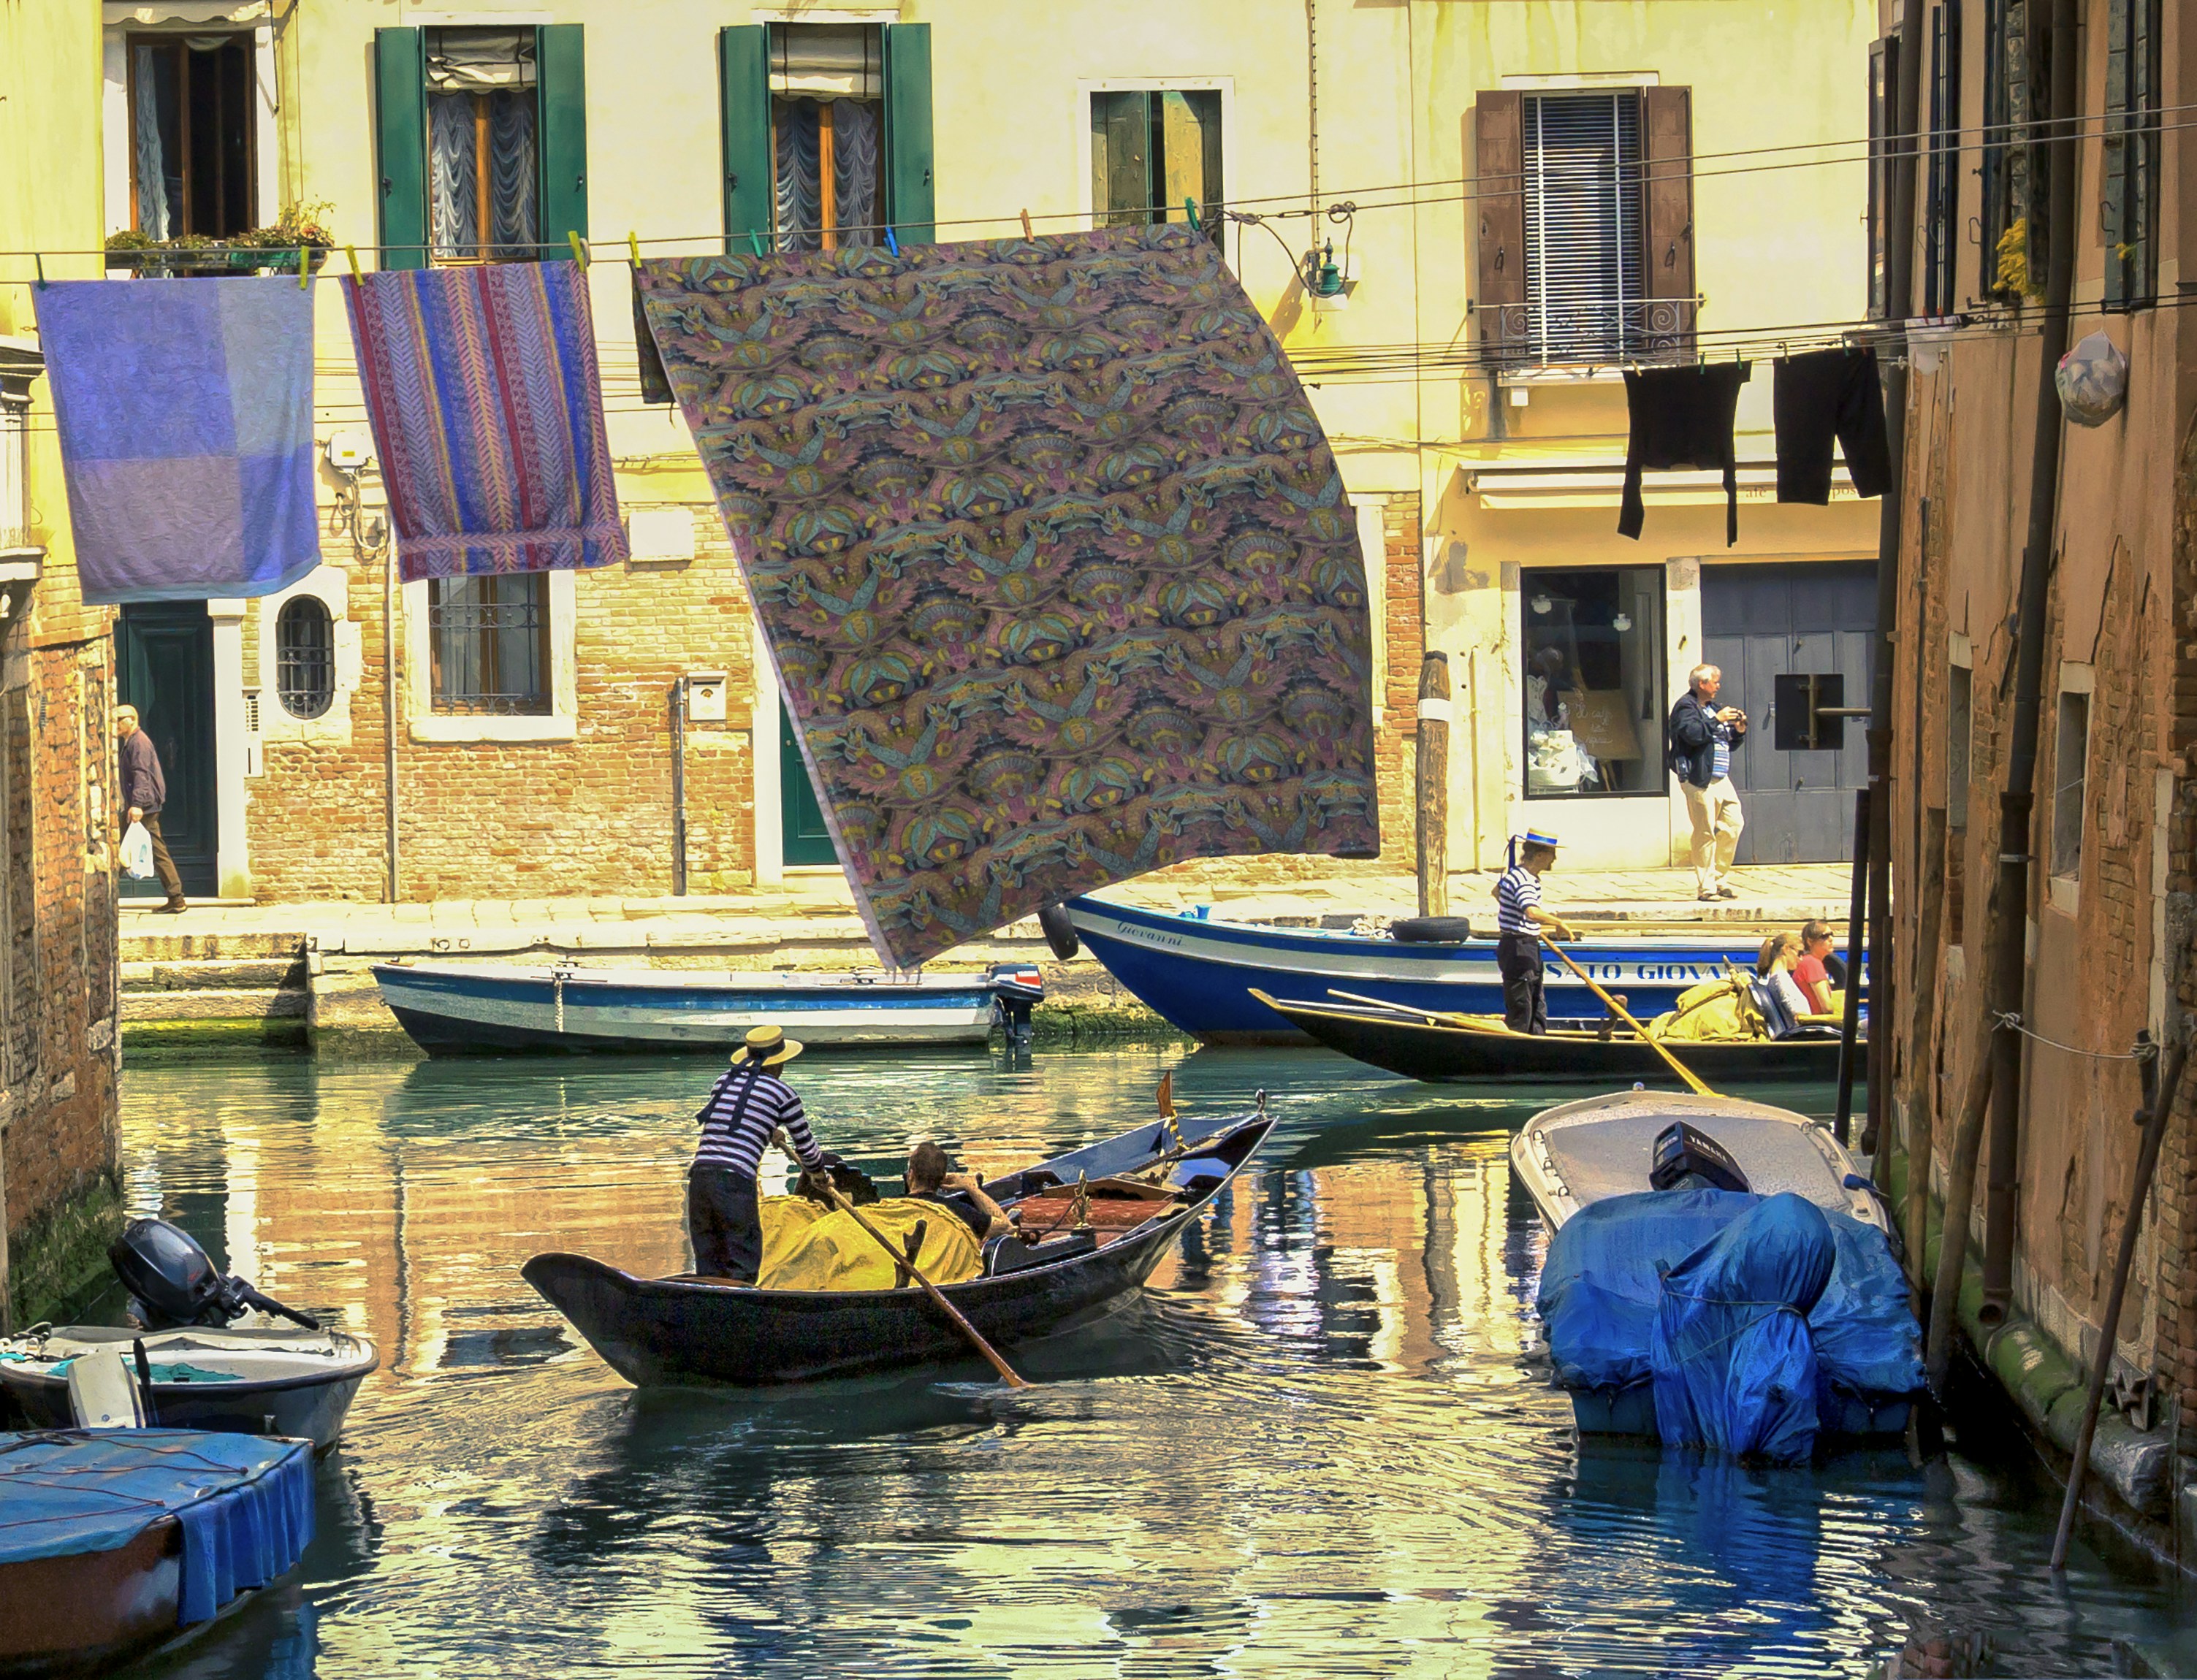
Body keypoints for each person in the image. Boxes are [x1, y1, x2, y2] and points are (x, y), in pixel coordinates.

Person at [688, 1024, 828, 1283]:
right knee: (743, 1265)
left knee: (709, 1267)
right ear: (778, 1065)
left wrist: (769, 1129)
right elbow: (807, 1149)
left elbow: (736, 1118)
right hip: (735, 1183)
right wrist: (819, 1175)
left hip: (700, 1180)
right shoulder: (784, 1094)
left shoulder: (723, 1081)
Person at [1667, 663, 1747, 903]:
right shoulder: (1685, 707)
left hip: (1721, 777)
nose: (1718, 686)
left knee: (1734, 825)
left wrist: (1739, 731)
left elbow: (1725, 741)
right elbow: (1692, 735)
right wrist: (1716, 720)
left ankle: (1719, 877)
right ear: (1701, 684)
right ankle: (1707, 887)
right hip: (1699, 778)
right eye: (1715, 681)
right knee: (1705, 832)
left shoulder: (1713, 708)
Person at [1493, 829, 1577, 1036]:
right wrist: (1558, 922)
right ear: (1540, 855)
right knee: (1523, 1004)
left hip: (1523, 944)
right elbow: (1531, 911)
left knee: (1536, 998)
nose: (1554, 860)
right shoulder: (1524, 879)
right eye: (1551, 854)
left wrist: (1515, 918)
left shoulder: (1517, 874)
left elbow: (1497, 892)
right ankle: (1523, 1043)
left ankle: (1537, 1037)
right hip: (1519, 947)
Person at [113, 705, 186, 912]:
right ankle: (176, 897)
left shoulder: (139, 743)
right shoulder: (131, 743)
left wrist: (136, 805)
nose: (115, 724)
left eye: (119, 719)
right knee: (153, 849)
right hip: (145, 805)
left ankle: (103, 898)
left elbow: (142, 775)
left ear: (132, 719)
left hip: (144, 806)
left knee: (122, 850)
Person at [904, 1139, 1017, 1240]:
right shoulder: (957, 1211)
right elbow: (1008, 1227)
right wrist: (970, 1188)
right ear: (943, 1179)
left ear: (911, 1175)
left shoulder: (888, 1205)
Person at [1756, 932, 1824, 1022]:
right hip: (1803, 1034)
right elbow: (1800, 1017)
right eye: (1799, 953)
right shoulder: (1781, 980)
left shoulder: (1778, 979)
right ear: (1786, 949)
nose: (1801, 959)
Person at [1794, 920, 1842, 1015]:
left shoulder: (1807, 961)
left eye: (1831, 934)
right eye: (1825, 936)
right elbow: (1827, 1008)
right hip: (1820, 1023)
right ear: (1810, 941)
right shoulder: (1812, 963)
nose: (1831, 939)